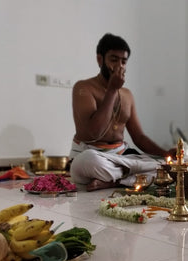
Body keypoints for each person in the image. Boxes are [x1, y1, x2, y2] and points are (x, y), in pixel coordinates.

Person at [69, 33, 175, 191]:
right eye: (113, 59)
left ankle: (113, 180)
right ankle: (129, 177)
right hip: (92, 155)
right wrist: (112, 90)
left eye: (123, 61)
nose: (119, 66)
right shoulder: (84, 88)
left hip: (121, 156)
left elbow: (138, 137)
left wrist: (165, 153)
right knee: (88, 161)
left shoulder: (127, 94)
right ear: (100, 60)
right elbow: (92, 134)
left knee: (169, 167)